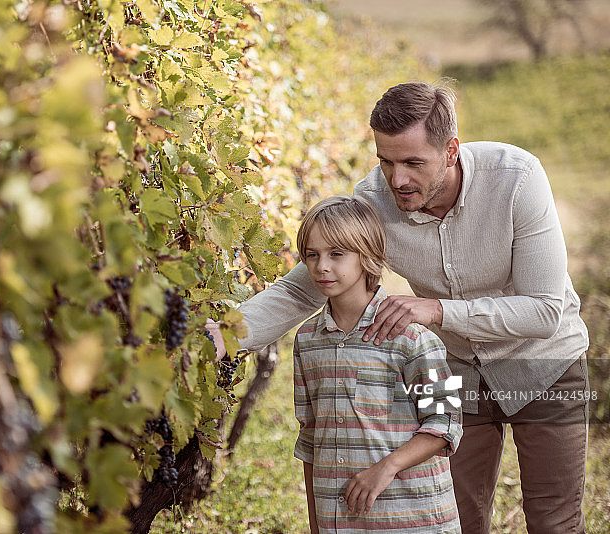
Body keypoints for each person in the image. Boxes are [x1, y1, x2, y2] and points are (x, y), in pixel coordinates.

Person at [208, 80, 590, 533]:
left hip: (546, 366)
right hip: (453, 369)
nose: (398, 179)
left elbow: (545, 311)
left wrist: (436, 310)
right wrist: (225, 333)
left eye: (413, 162)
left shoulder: (517, 178)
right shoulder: (372, 200)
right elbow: (302, 289)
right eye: (386, 162)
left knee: (554, 522)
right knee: (461, 520)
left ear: (451, 151)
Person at [291, 195, 462, 533]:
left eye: (336, 254)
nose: (321, 266)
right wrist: (318, 524)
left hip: (414, 521)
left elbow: (446, 425)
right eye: (312, 255)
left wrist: (386, 467)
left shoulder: (413, 339)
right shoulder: (307, 340)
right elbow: (310, 438)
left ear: (367, 257)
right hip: (340, 522)